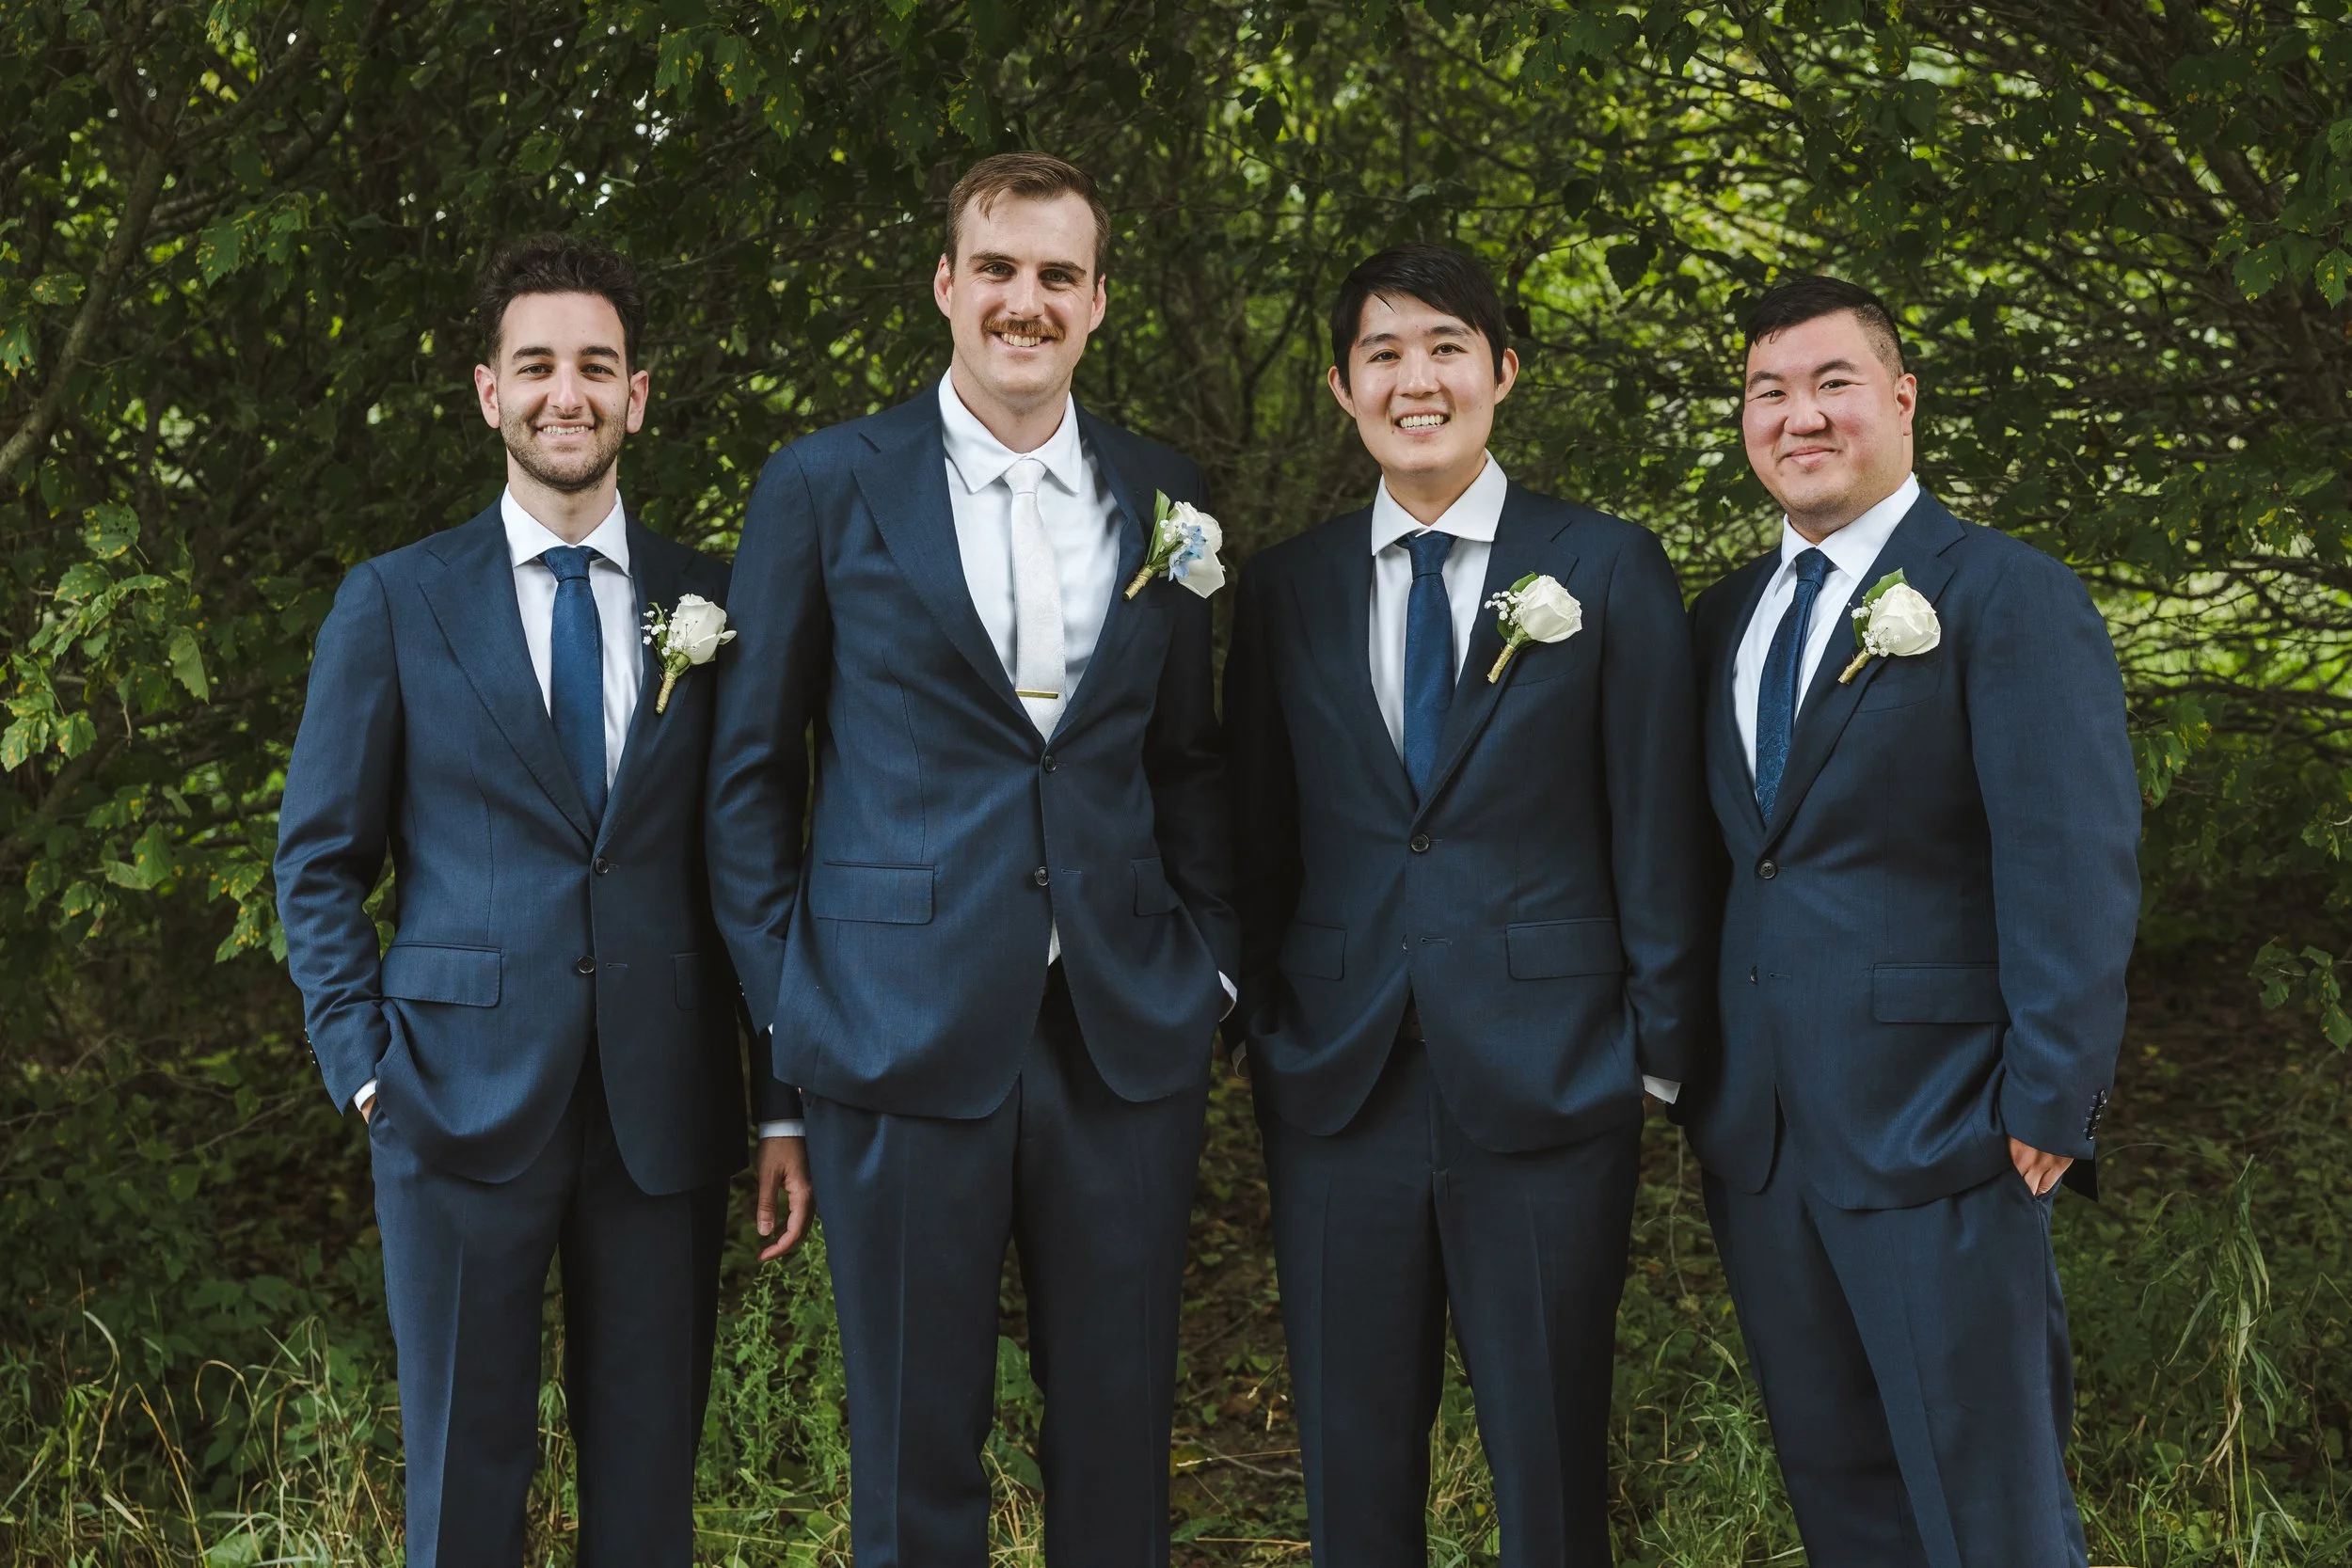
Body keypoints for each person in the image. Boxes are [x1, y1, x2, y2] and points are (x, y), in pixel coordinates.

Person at [705, 151, 1234, 1567]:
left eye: (1059, 275)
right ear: (947, 286)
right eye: (998, 269)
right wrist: (797, 1017)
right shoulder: (825, 484)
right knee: (910, 1444)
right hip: (893, 1030)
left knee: (1119, 1435)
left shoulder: (1164, 495)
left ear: (1098, 302)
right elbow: (751, 781)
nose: (1026, 301)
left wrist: (1212, 970)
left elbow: (1186, 761)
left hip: (1121, 1033)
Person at [274, 236, 777, 1568]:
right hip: (447, 1098)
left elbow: (758, 867)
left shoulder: (714, 602)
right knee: (462, 1475)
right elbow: (320, 858)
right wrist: (367, 1072)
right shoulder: (393, 601)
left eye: (597, 366)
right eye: (538, 364)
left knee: (649, 1481)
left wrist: (777, 1089)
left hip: (662, 1105)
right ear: (489, 393)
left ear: (639, 395)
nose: (570, 392)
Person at [1223, 243, 1713, 1566]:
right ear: (1341, 387)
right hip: (1338, 1080)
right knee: (1351, 1461)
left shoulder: (1605, 569)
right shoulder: (1286, 590)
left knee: (1551, 1463)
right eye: (1382, 354)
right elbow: (1259, 838)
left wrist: (1653, 1058)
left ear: (1502, 369)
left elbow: (1655, 823)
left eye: (1445, 345)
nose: (1415, 378)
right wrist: (1265, 1025)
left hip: (1553, 1077)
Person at [1684, 274, 2139, 1567]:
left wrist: (2052, 1094)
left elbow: (2072, 856)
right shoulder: (1723, 617)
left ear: (1901, 397)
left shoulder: (2005, 594)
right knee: (1844, 1500)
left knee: (1990, 1513)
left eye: (1832, 382)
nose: (1800, 414)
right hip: (1766, 1140)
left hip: (1946, 1126)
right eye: (1770, 391)